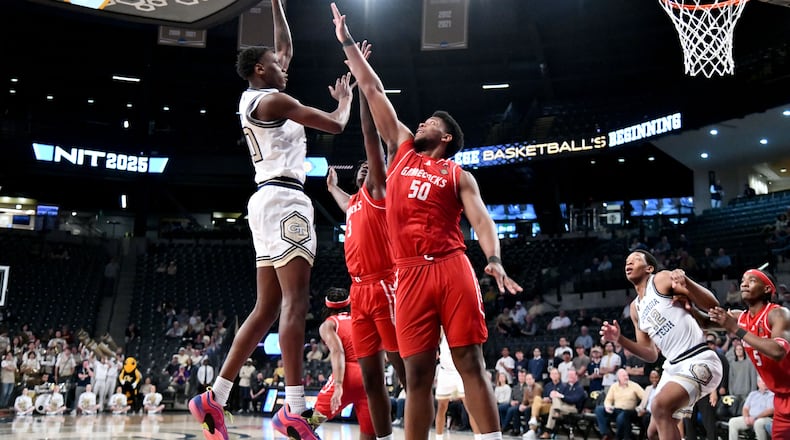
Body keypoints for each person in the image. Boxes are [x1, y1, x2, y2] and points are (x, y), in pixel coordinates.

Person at [331, 5, 523, 440]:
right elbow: (373, 89)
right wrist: (346, 43)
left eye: (431, 122)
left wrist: (493, 259)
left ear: (447, 137)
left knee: (469, 362)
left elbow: (481, 218)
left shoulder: (458, 174)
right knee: (416, 377)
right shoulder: (401, 150)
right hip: (409, 275)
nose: (421, 122)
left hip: (452, 266)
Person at [188, 1, 354, 440]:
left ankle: (213, 398)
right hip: (286, 201)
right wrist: (346, 102)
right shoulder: (276, 98)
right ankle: (294, 410)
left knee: (265, 309)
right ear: (261, 70)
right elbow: (336, 126)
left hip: (265, 200)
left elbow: (285, 45)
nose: (284, 67)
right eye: (276, 66)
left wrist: (278, 3)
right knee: (296, 304)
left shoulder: (253, 95)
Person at [325, 78, 406, 440]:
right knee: (372, 376)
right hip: (359, 294)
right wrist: (330, 188)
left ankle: (419, 413)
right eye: (358, 169)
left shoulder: (377, 193)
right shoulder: (355, 202)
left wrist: (361, 94)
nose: (363, 169)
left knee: (400, 367)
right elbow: (343, 199)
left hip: (384, 285)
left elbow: (369, 137)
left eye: (367, 168)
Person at [600, 250, 723, 440]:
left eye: (635, 259)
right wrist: (620, 339)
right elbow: (650, 354)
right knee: (654, 432)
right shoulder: (635, 308)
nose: (628, 263)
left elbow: (712, 305)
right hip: (673, 366)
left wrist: (686, 281)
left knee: (659, 405)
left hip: (699, 358)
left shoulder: (661, 279)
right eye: (626, 261)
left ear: (649, 268)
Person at [709, 267, 790, 439]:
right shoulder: (741, 317)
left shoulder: (779, 314)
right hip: (781, 397)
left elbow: (778, 351)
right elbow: (708, 320)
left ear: (767, 289)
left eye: (751, 280)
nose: (744, 284)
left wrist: (734, 328)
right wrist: (686, 298)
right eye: (743, 280)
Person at [310, 288, 372, 440]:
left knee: (309, 424)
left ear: (327, 306)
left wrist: (338, 384)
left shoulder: (329, 324)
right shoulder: (360, 318)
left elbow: (338, 352)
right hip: (370, 374)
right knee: (368, 433)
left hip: (347, 375)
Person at [435, 329, 480, 440]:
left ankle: (478, 437)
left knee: (469, 406)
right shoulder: (442, 327)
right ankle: (438, 438)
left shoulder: (461, 325)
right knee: (441, 406)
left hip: (460, 371)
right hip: (445, 371)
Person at [595, 369, 645, 440]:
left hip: (628, 412)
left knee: (621, 417)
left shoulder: (634, 386)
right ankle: (606, 434)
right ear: (618, 378)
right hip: (616, 409)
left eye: (627, 375)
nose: (626, 377)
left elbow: (645, 397)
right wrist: (608, 406)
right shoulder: (614, 386)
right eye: (624, 376)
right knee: (599, 409)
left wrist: (640, 407)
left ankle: (618, 437)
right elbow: (608, 400)